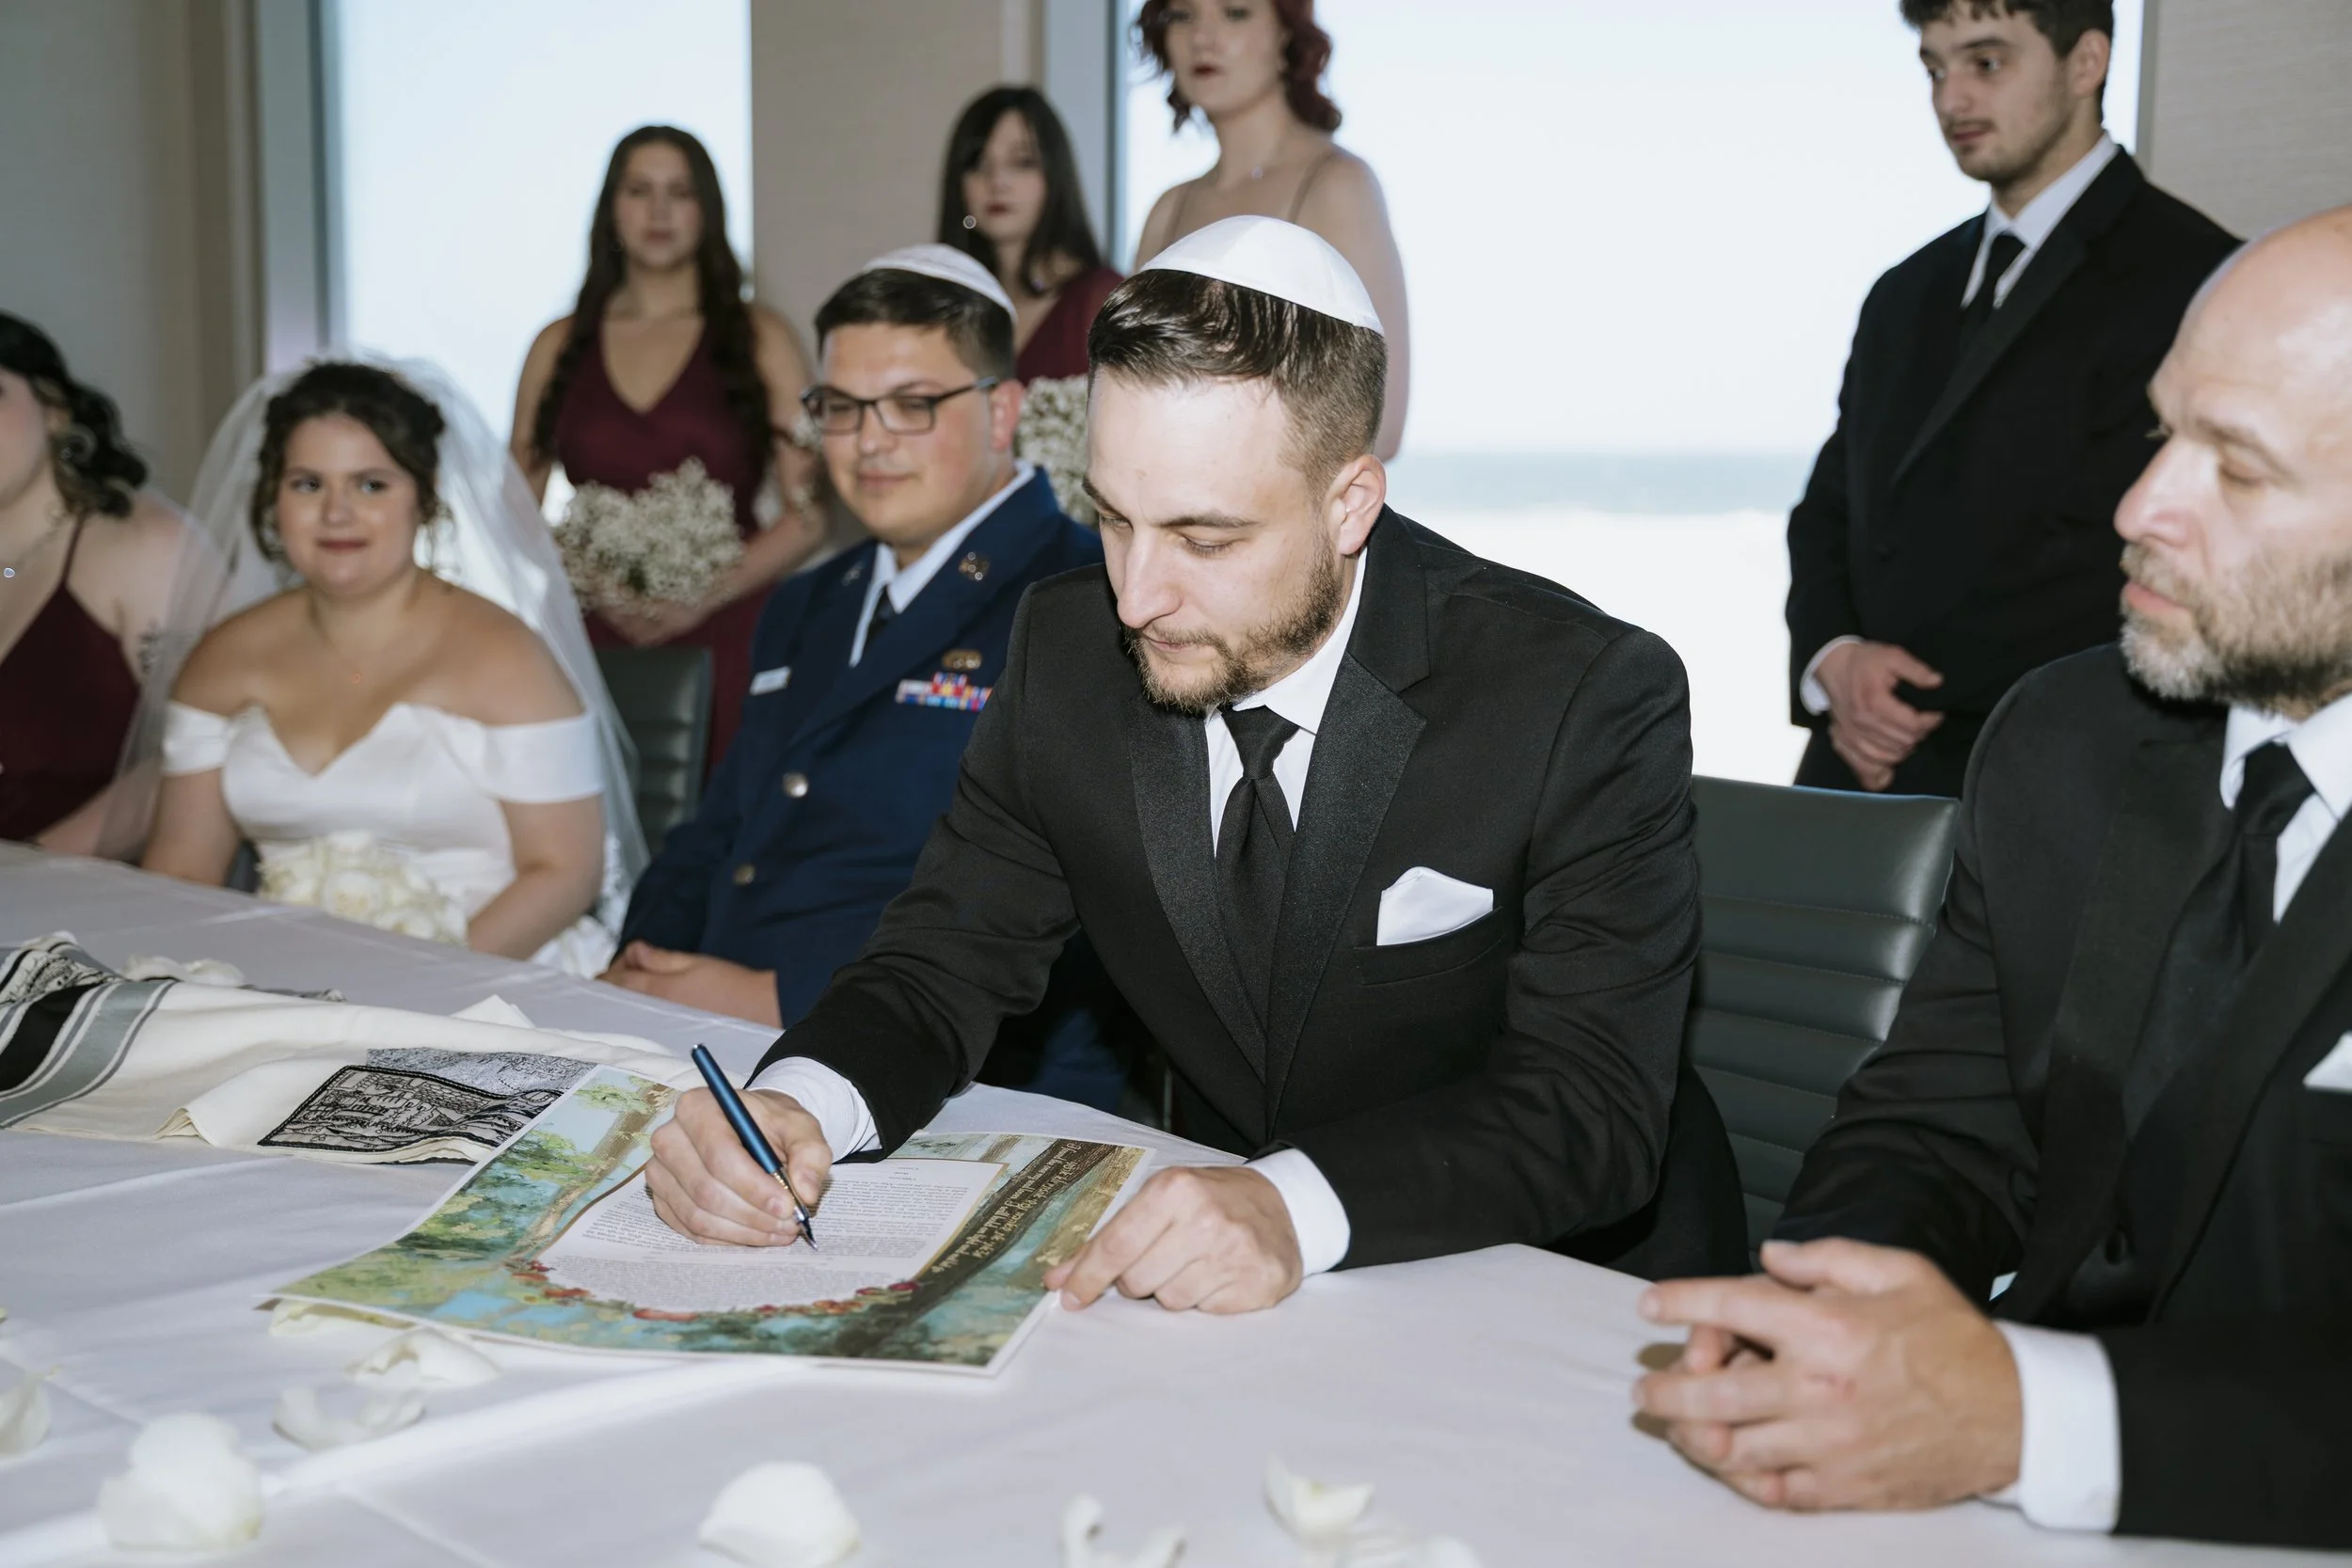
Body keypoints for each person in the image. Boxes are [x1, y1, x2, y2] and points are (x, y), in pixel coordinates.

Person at [644, 217, 1747, 1309]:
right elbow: (941, 960)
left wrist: (1287, 1206)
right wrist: (797, 1103)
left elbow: (1591, 1103)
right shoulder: (1066, 650)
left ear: (1349, 504)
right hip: (1225, 1281)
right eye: (1113, 519)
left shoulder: (1574, 692)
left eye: (1204, 538)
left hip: (1569, 1288)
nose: (1136, 596)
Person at [1636, 211, 2352, 1551]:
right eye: (2161, 432)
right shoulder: (2067, 739)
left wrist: (2027, 1415)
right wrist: (1821, 1310)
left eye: (2238, 468)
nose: (2141, 508)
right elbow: (1938, 1127)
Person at [604, 245, 1122, 1108]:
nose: (869, 441)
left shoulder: (1083, 599)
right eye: (841, 407)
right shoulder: (808, 601)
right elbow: (722, 825)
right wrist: (643, 955)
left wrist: (779, 993)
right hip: (707, 1037)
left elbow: (1080, 902)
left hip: (949, 1075)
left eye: (912, 405)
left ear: (1002, 411)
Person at [1785, 0, 2236, 796]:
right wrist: (1836, 660)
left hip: (2056, 776)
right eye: (1934, 68)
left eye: (1986, 63)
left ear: (2086, 63)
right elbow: (1830, 509)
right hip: (1851, 758)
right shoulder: (1902, 291)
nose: (1950, 98)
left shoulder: (2198, 276)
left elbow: (2129, 549)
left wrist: (1895, 694)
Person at [145, 360, 645, 975]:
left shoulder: (507, 657)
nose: (337, 513)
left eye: (371, 485)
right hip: (282, 981)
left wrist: (407, 984)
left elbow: (565, 873)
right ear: (274, 495)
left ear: (424, 494)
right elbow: (182, 869)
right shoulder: (224, 658)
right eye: (308, 484)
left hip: (495, 972)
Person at [512, 125, 828, 774]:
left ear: (707, 211)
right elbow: (514, 507)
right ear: (611, 208)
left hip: (731, 626)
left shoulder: (761, 336)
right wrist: (599, 584)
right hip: (592, 632)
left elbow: (811, 513)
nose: (658, 211)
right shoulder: (557, 344)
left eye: (679, 193)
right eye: (639, 191)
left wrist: (699, 596)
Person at [0, 315, 248, 856]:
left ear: (54, 411)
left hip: (89, 890)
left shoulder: (146, 544)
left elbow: (208, 743)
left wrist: (39, 862)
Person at [1130, 0, 1410, 459]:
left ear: (1287, 34)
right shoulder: (1168, 209)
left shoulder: (1337, 185)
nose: (1202, 37)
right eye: (1182, 15)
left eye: (1235, 12)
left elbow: (1383, 425)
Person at [938, 86, 1122, 384]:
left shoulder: (1099, 300)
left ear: (1055, 176)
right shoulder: (944, 309)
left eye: (1022, 162)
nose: (997, 181)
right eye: (978, 163)